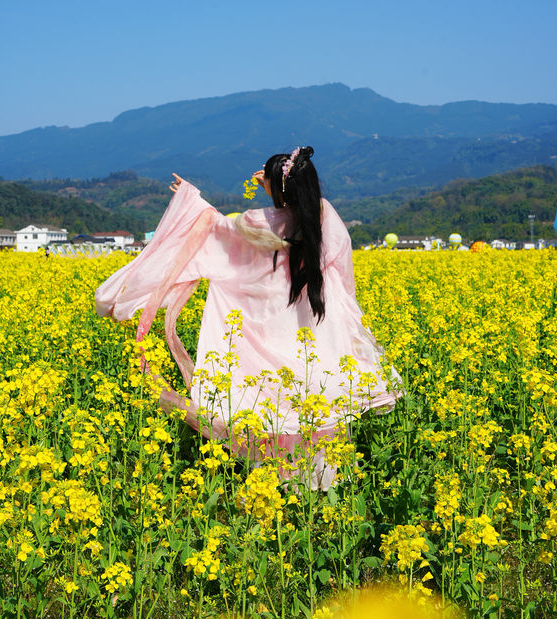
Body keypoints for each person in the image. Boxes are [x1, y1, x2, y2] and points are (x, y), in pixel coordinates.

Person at [94, 146, 401, 487]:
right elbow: (344, 276)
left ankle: (275, 482)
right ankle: (320, 487)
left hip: (269, 330)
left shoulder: (261, 223)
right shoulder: (325, 215)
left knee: (272, 409)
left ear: (277, 188)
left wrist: (189, 199)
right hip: (315, 331)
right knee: (316, 406)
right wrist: (349, 332)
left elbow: (213, 230)